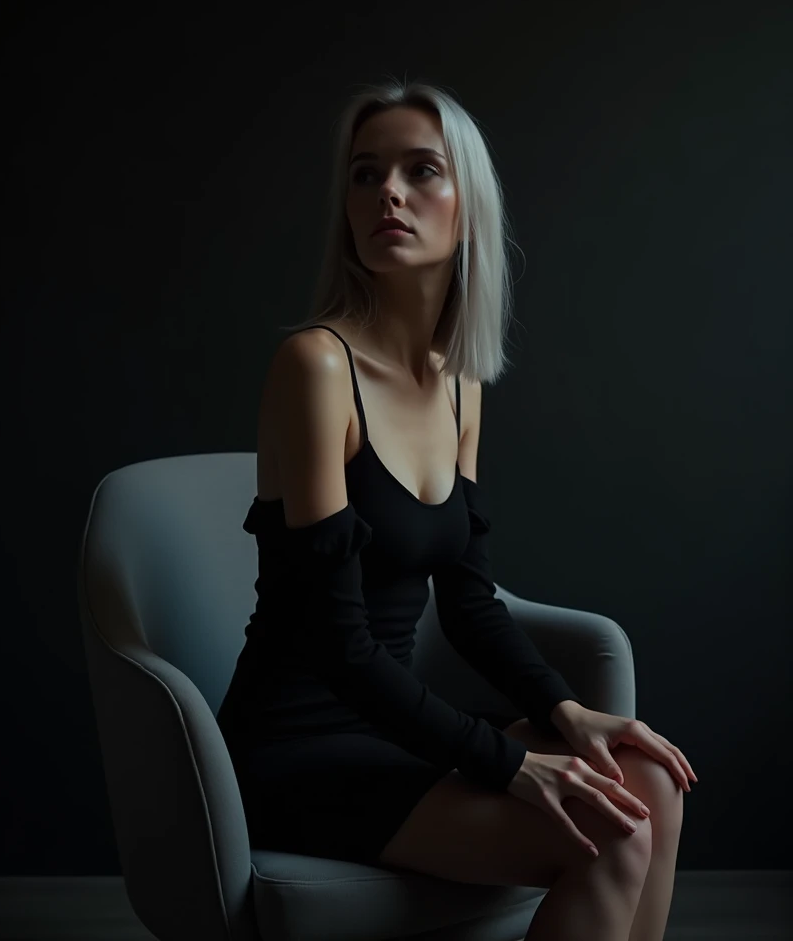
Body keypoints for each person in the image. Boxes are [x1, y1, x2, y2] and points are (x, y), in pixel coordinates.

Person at [216, 78, 695, 940]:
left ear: (467, 210)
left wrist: (563, 712)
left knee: (647, 785)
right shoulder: (316, 368)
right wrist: (510, 764)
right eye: (365, 175)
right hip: (296, 749)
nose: (387, 193)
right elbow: (341, 645)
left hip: (393, 732)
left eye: (419, 170)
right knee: (612, 836)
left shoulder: (461, 386)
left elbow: (469, 603)